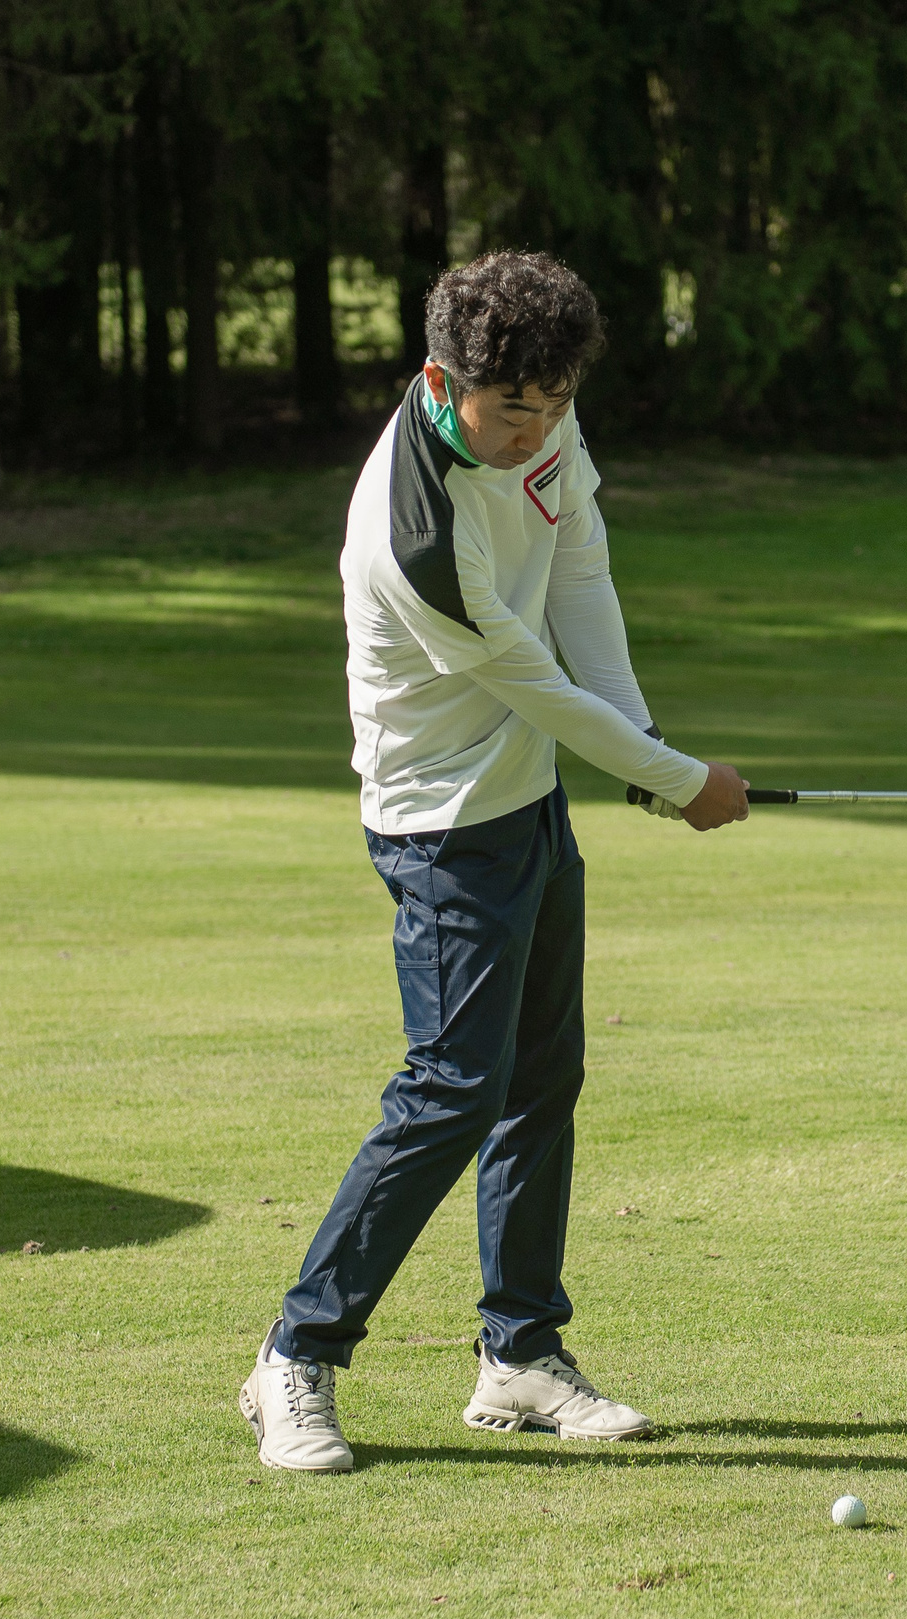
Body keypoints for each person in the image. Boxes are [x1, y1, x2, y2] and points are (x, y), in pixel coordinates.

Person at [239, 251, 752, 1473]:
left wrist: (645, 748)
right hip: (437, 824)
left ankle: (519, 1355)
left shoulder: (549, 423)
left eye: (558, 404)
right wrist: (680, 784)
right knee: (452, 1088)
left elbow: (581, 582)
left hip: (523, 804)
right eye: (515, 409)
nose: (538, 430)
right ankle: (293, 1356)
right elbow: (527, 668)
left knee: (540, 1078)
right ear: (442, 380)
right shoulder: (408, 532)